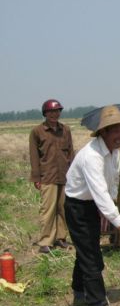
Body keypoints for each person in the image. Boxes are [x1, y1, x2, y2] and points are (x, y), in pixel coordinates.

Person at [64, 105, 120, 306]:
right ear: (103, 131)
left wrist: (110, 213)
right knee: (92, 258)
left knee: (87, 250)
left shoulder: (114, 152)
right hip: (77, 207)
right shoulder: (91, 156)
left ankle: (79, 292)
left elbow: (110, 186)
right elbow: (99, 192)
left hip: (94, 205)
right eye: (115, 130)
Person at [29, 99, 75, 254]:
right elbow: (34, 156)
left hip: (65, 175)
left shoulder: (66, 130)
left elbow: (71, 153)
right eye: (51, 112)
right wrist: (36, 178)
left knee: (63, 208)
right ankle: (45, 241)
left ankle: (61, 238)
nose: (55, 114)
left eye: (57, 111)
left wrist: (74, 174)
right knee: (48, 210)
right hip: (47, 176)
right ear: (45, 113)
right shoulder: (37, 131)